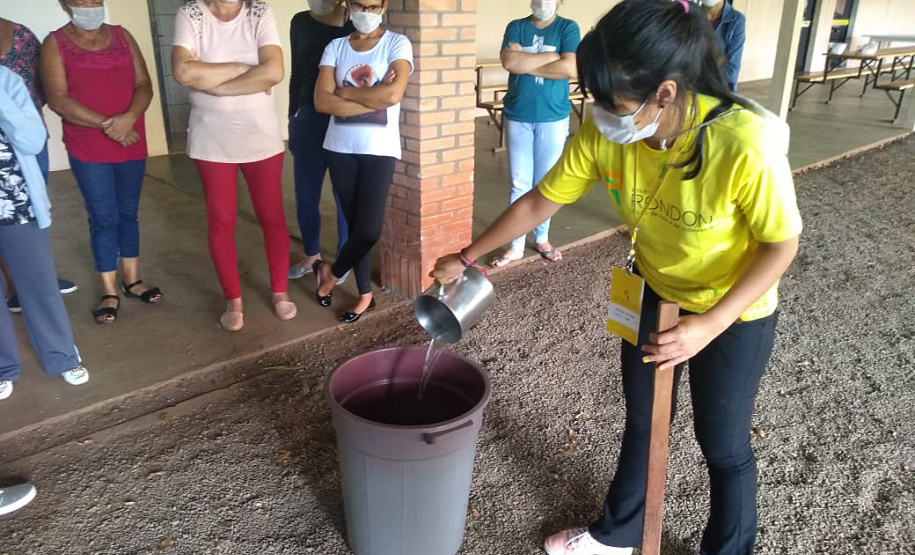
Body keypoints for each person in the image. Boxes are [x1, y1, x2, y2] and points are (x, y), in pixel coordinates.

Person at [432, 1, 802, 554]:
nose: (601, 113)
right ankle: (618, 534)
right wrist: (467, 257)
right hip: (655, 288)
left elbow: (781, 245)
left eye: (613, 101)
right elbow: (539, 201)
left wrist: (710, 326)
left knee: (722, 445)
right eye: (593, 97)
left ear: (667, 92)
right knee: (644, 422)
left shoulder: (743, 142)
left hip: (734, 307)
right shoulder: (609, 133)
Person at [172, 0, 295, 332]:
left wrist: (213, 85)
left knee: (272, 217)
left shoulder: (259, 12)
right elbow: (183, 72)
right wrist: (244, 68)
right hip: (211, 139)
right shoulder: (191, 14)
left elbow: (274, 71)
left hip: (261, 136)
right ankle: (234, 301)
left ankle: (279, 292)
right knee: (221, 220)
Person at [42, 0, 163, 325]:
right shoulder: (56, 43)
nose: (91, 6)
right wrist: (111, 125)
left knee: (128, 213)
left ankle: (132, 280)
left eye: (97, 0)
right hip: (90, 145)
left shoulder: (122, 35)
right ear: (66, 5)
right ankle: (109, 289)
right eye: (82, 1)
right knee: (103, 216)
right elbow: (58, 99)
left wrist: (130, 118)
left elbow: (144, 85)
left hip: (130, 140)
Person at [312, 0, 412, 324]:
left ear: (383, 6)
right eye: (359, 4)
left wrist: (344, 93)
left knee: (368, 230)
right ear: (349, 4)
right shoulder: (336, 46)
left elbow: (392, 95)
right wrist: (373, 98)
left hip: (380, 149)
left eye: (372, 5)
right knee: (355, 226)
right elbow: (321, 101)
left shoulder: (397, 44)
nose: (365, 11)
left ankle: (331, 274)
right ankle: (365, 295)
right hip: (339, 148)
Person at [1, 65, 90, 401]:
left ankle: (61, 355)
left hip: (15, 200)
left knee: (38, 283)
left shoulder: (7, 81)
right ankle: (2, 366)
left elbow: (32, 139)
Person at [491, 0, 580, 268]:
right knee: (519, 182)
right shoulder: (516, 26)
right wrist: (553, 58)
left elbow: (569, 68)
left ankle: (542, 238)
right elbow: (508, 61)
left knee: (546, 182)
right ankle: (515, 244)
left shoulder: (567, 28)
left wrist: (524, 63)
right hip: (518, 114)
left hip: (553, 116)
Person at [0, 17, 77, 313]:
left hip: (29, 141)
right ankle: (15, 287)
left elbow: (42, 86)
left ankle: (37, 279)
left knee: (32, 215)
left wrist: (23, 120)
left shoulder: (21, 36)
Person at [287, 0, 353, 283]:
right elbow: (296, 73)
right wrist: (292, 116)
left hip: (343, 117)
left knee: (344, 196)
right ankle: (312, 253)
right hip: (307, 118)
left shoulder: (357, 25)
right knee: (306, 195)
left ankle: (344, 258)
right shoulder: (300, 22)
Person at [696, 0, 746, 91]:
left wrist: (694, 70)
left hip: (720, 92)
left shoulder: (736, 21)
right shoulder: (690, 16)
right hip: (690, 91)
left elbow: (731, 73)